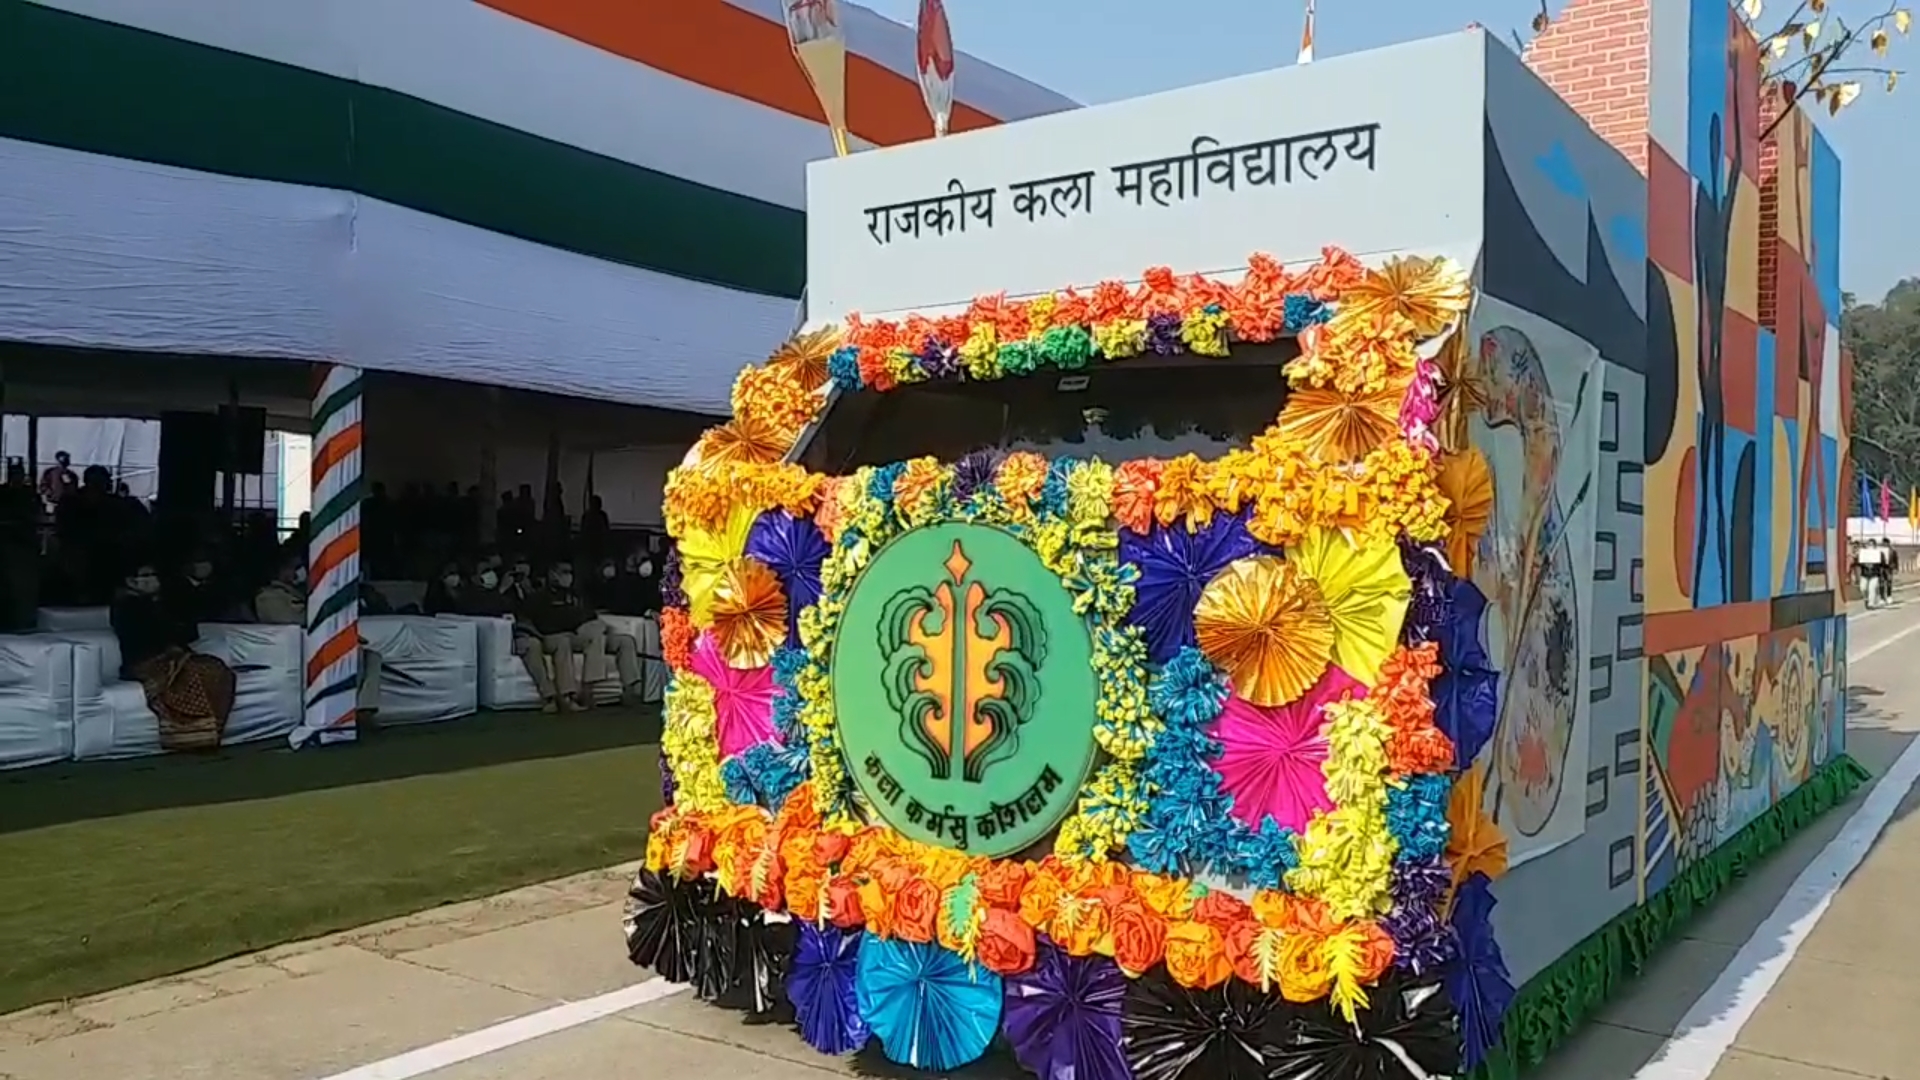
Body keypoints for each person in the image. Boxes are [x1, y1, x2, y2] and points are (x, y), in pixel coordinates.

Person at [110, 561, 237, 751]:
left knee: (216, 669)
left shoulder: (158, 602)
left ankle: (209, 730)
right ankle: (191, 735)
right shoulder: (127, 606)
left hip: (172, 656)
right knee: (194, 675)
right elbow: (153, 636)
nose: (153, 580)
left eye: (153, 575)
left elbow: (187, 632)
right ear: (131, 581)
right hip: (146, 662)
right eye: (146, 576)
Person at [253, 551, 384, 716]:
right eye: (294, 567)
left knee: (372, 656)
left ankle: (363, 707)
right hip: (294, 648)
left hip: (314, 641)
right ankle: (344, 710)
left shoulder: (298, 591)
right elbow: (294, 621)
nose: (300, 572)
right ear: (281, 570)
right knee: (352, 652)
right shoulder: (269, 596)